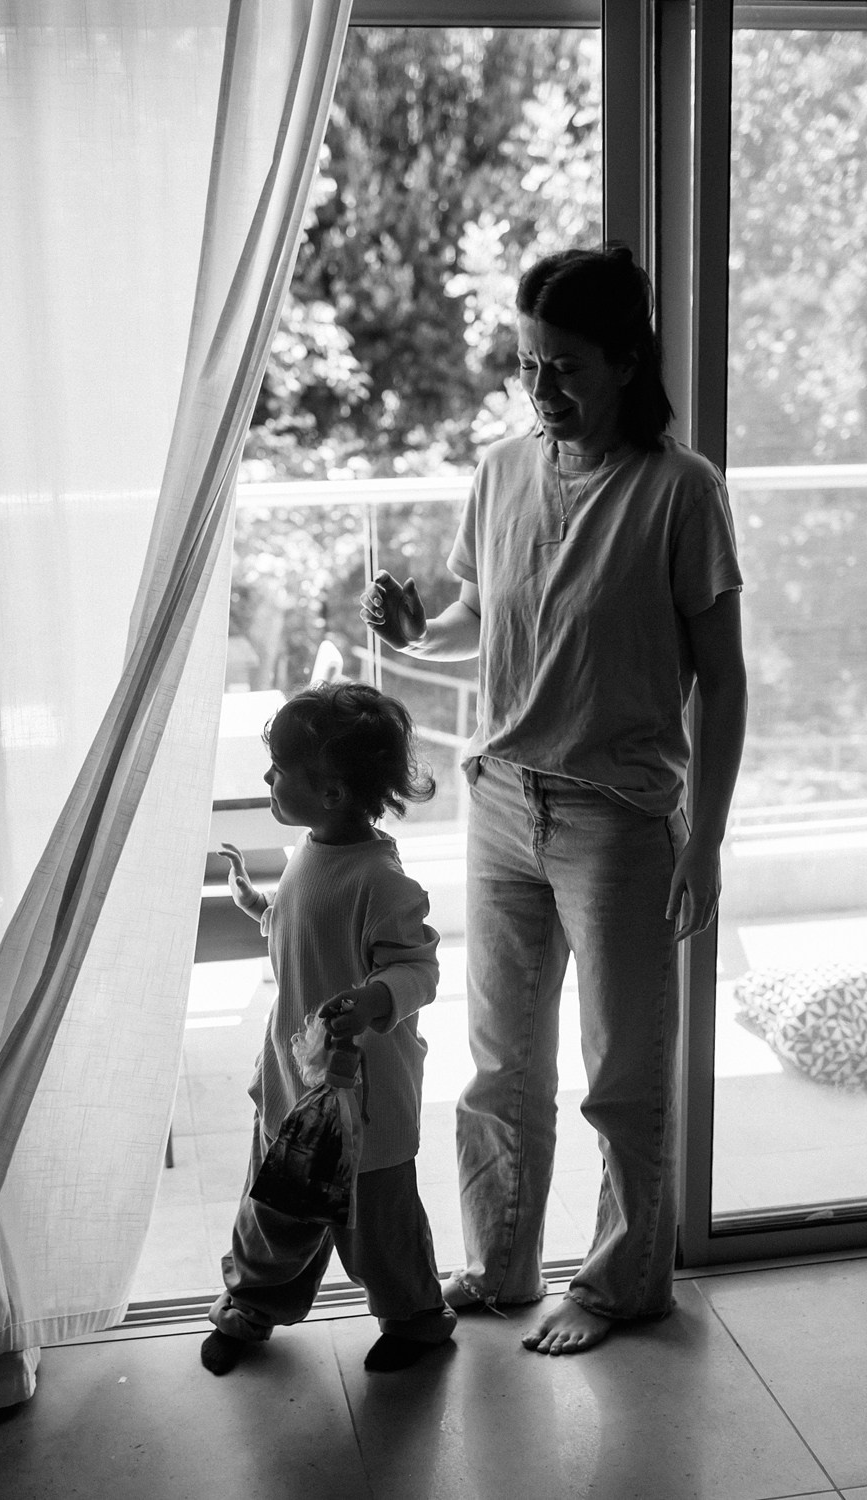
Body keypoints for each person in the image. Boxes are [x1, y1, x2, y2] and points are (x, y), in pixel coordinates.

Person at [361, 244, 747, 1356]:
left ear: (626, 362)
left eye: (566, 367)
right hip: (501, 801)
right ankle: (504, 1263)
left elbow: (721, 681)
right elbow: (484, 611)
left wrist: (705, 843)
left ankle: (625, 1285)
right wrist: (413, 629)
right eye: (529, 365)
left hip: (618, 819)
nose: (542, 392)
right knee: (500, 1065)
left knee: (622, 1073)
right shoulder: (499, 470)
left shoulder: (682, 491)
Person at [202, 681, 457, 1375]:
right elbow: (307, 936)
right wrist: (263, 908)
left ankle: (415, 1320)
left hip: (361, 1101)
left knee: (378, 1226)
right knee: (274, 1210)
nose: (267, 777)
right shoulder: (310, 852)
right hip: (293, 1081)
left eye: (280, 768)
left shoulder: (382, 881)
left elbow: (420, 968)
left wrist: (379, 998)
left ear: (335, 793)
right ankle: (251, 1306)